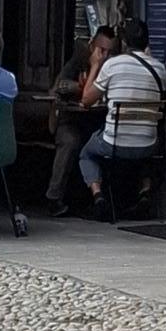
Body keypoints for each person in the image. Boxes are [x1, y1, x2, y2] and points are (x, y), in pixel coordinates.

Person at [79, 18, 166, 215]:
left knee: (86, 153)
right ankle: (144, 193)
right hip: (148, 145)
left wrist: (95, 65)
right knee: (145, 154)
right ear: (147, 42)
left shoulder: (113, 65)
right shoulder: (159, 69)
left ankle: (99, 197)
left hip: (115, 144)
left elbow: (86, 100)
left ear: (124, 43)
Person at [47, 28, 112, 213]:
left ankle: (100, 198)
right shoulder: (79, 60)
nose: (105, 56)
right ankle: (54, 197)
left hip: (96, 120)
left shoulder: (112, 66)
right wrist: (80, 85)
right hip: (70, 119)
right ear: (92, 46)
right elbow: (58, 86)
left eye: (109, 52)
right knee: (70, 141)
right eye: (101, 50)